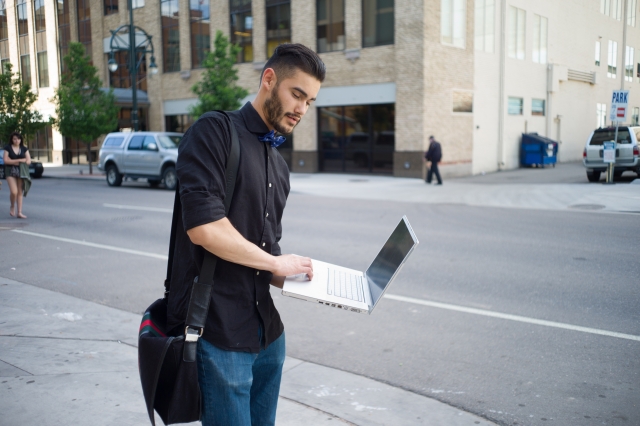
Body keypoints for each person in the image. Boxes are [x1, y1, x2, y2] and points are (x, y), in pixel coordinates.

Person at [167, 44, 325, 426]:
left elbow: (263, 250)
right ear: (269, 80)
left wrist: (294, 274)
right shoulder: (215, 132)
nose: (302, 109)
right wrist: (273, 262)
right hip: (217, 332)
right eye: (297, 94)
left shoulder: (279, 165)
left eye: (311, 101)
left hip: (267, 334)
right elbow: (205, 227)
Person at [3, 132, 31, 218]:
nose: (17, 140)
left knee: (19, 191)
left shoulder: (24, 149)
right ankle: (12, 206)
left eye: (18, 139)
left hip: (21, 171)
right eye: (15, 139)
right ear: (12, 139)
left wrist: (21, 161)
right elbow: (5, 160)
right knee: (14, 191)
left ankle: (19, 212)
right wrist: (19, 161)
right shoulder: (7, 148)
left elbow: (28, 161)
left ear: (21, 140)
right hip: (10, 171)